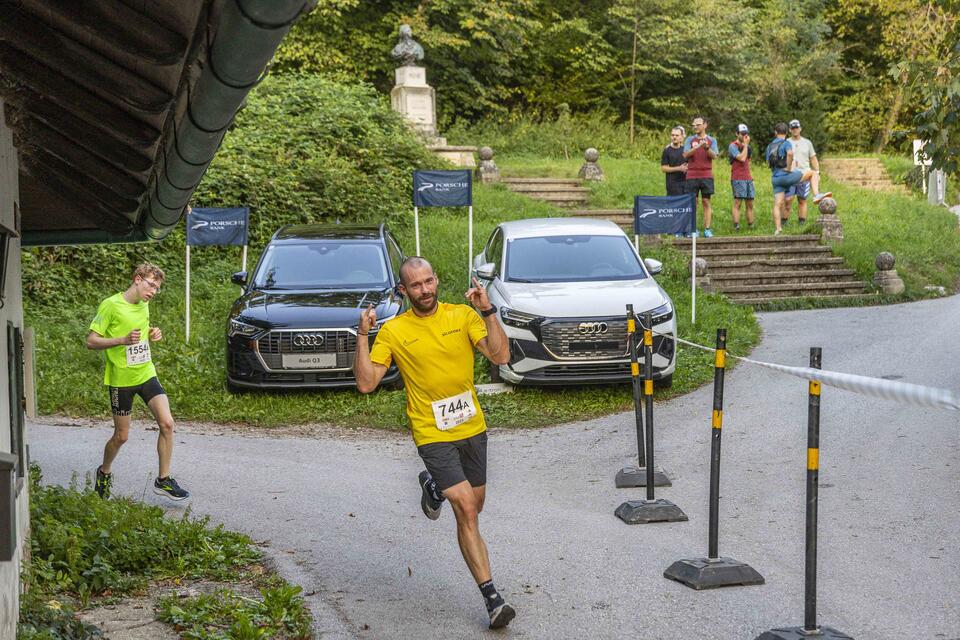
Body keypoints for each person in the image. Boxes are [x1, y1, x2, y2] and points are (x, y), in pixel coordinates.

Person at [353, 257, 515, 630]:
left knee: (476, 504)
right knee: (466, 510)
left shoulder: (462, 315)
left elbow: (500, 355)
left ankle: (433, 487)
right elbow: (366, 383)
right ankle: (492, 598)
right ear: (403, 291)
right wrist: (363, 336)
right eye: (415, 285)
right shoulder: (394, 331)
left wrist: (487, 310)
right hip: (432, 432)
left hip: (471, 427)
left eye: (428, 282)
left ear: (436, 280)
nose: (424, 290)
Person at [86, 263, 189, 501]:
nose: (153, 291)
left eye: (157, 288)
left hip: (145, 373)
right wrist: (121, 339)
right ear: (137, 279)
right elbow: (91, 341)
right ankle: (104, 472)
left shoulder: (144, 305)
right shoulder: (110, 305)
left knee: (167, 423)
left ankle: (163, 480)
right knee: (121, 436)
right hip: (121, 380)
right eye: (151, 285)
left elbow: (140, 332)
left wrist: (152, 332)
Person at [766, 123, 816, 235]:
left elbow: (769, 162)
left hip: (775, 179)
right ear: (787, 132)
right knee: (812, 173)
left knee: (777, 204)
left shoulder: (769, 146)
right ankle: (817, 195)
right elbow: (790, 153)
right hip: (786, 176)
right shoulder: (786, 143)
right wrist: (788, 168)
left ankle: (778, 228)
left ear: (775, 132)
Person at [782, 119, 831, 226]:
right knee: (788, 200)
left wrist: (817, 172)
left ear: (800, 128)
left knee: (802, 200)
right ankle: (784, 222)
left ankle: (801, 223)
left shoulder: (807, 143)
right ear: (790, 130)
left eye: (797, 128)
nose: (795, 130)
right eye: (793, 128)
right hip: (790, 175)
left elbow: (813, 159)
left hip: (804, 175)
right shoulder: (786, 143)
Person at [682, 115, 719, 237]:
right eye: (694, 125)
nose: (695, 127)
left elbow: (714, 156)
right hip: (692, 175)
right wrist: (697, 147)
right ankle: (693, 229)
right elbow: (685, 155)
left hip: (706, 175)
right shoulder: (689, 140)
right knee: (694, 202)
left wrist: (706, 148)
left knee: (706, 201)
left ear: (705, 125)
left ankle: (707, 229)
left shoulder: (712, 140)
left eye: (698, 124)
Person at [728, 123, 755, 231]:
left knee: (750, 203)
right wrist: (745, 145)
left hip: (748, 177)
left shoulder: (748, 147)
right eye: (742, 133)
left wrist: (751, 177)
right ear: (737, 134)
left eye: (746, 133)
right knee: (738, 202)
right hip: (738, 178)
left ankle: (751, 225)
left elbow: (748, 162)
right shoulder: (733, 146)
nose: (744, 135)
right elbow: (742, 158)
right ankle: (736, 226)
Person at [660, 126, 688, 196]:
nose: (674, 137)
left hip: (685, 183)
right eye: (672, 135)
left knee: (684, 205)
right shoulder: (667, 150)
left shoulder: (685, 149)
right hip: (672, 184)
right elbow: (663, 168)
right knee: (673, 206)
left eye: (677, 135)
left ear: (681, 137)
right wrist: (679, 168)